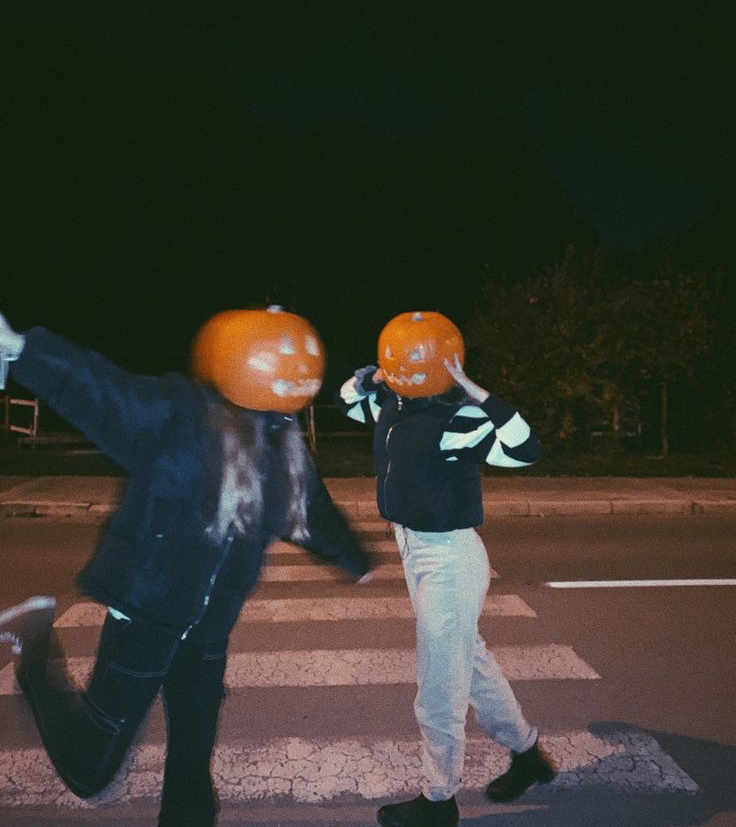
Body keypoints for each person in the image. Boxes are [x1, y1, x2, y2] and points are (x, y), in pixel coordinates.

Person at [0, 308, 373, 826]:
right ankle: (34, 642)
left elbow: (311, 512)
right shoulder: (179, 413)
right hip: (146, 621)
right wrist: (23, 349)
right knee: (90, 770)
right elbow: (105, 391)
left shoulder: (283, 437)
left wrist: (356, 559)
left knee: (192, 769)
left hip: (208, 633)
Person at [338, 311, 555, 827]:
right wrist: (375, 375)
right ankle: (527, 754)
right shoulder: (393, 405)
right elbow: (348, 401)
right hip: (413, 548)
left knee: (439, 684)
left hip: (451, 557)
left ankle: (439, 801)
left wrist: (477, 393)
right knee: (469, 660)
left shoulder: (460, 418)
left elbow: (526, 450)